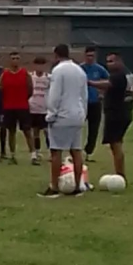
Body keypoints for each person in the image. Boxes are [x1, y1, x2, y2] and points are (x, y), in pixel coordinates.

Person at [41, 44, 88, 198]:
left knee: (56, 151)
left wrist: (51, 114)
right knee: (76, 151)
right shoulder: (79, 70)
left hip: (62, 116)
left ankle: (54, 186)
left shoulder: (58, 71)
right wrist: (83, 113)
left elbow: (55, 95)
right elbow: (84, 95)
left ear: (56, 55)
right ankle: (77, 186)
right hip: (78, 114)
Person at [89, 52, 133, 180]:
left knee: (116, 144)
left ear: (120, 61)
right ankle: (120, 173)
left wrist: (90, 83)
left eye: (111, 61)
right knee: (116, 142)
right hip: (125, 111)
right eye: (108, 61)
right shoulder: (127, 73)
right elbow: (116, 89)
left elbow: (108, 84)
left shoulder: (118, 74)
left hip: (116, 113)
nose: (109, 64)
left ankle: (120, 175)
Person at [0, 51, 36, 164]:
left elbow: (30, 89)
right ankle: (12, 155)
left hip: (22, 106)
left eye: (17, 58)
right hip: (8, 107)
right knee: (11, 131)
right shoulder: (5, 74)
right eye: (13, 58)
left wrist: (24, 98)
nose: (15, 60)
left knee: (27, 131)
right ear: (9, 60)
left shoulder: (25, 73)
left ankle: (33, 155)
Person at [81, 46, 110, 162]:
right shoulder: (80, 69)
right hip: (82, 103)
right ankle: (76, 151)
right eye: (88, 56)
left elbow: (109, 81)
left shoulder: (99, 69)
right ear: (85, 56)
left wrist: (102, 92)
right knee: (77, 127)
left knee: (94, 129)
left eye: (92, 56)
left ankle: (89, 152)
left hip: (95, 103)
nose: (90, 58)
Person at [29, 56, 50, 163]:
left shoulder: (49, 77)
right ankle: (36, 152)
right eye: (38, 65)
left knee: (47, 131)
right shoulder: (30, 76)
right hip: (33, 108)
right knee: (35, 132)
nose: (40, 67)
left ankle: (51, 152)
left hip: (45, 109)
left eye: (42, 65)